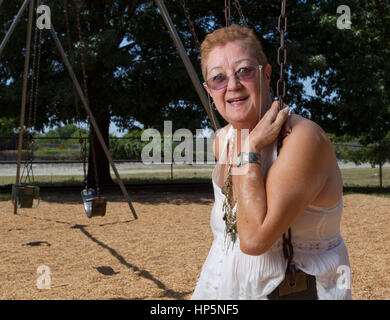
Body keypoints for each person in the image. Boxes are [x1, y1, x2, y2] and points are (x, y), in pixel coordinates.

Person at [191, 24, 352, 300]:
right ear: (209, 90)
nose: (232, 85)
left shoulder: (302, 140)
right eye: (219, 78)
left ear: (266, 75)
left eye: (244, 71)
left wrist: (251, 147)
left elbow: (254, 240)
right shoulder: (223, 140)